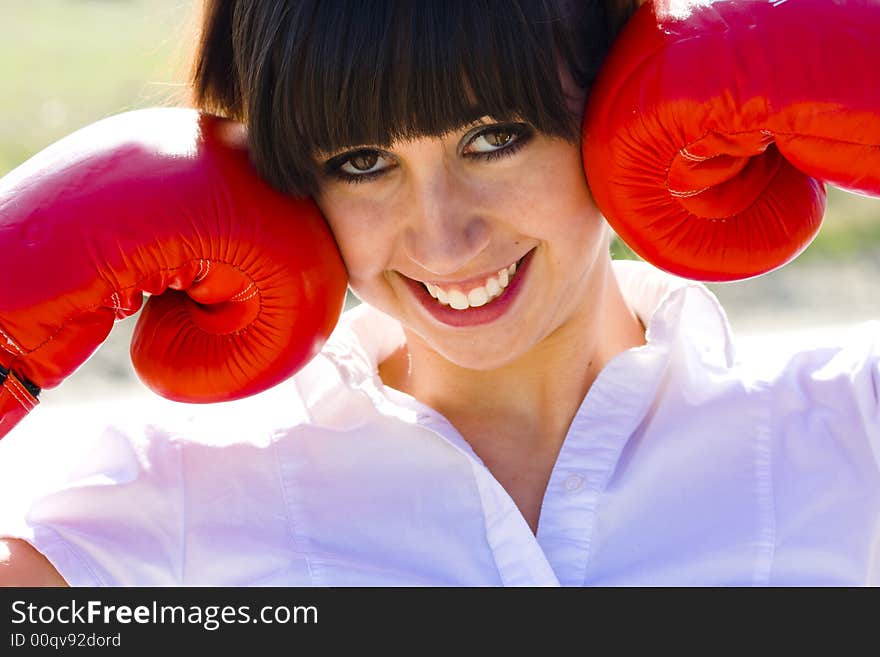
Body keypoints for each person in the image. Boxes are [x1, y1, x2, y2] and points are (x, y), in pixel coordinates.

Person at [1, 0, 878, 587]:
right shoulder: (178, 505)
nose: (441, 236)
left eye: (494, 137)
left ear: (626, 103)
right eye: (362, 162)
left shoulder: (848, 435)